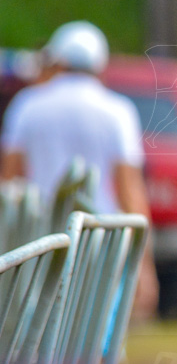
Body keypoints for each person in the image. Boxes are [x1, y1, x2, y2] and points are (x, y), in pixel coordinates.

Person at [0, 20, 158, 316]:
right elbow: (130, 190)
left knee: (36, 341)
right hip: (99, 242)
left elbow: (8, 182)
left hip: (39, 242)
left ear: (58, 59)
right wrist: (144, 267)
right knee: (93, 344)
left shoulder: (27, 105)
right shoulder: (117, 111)